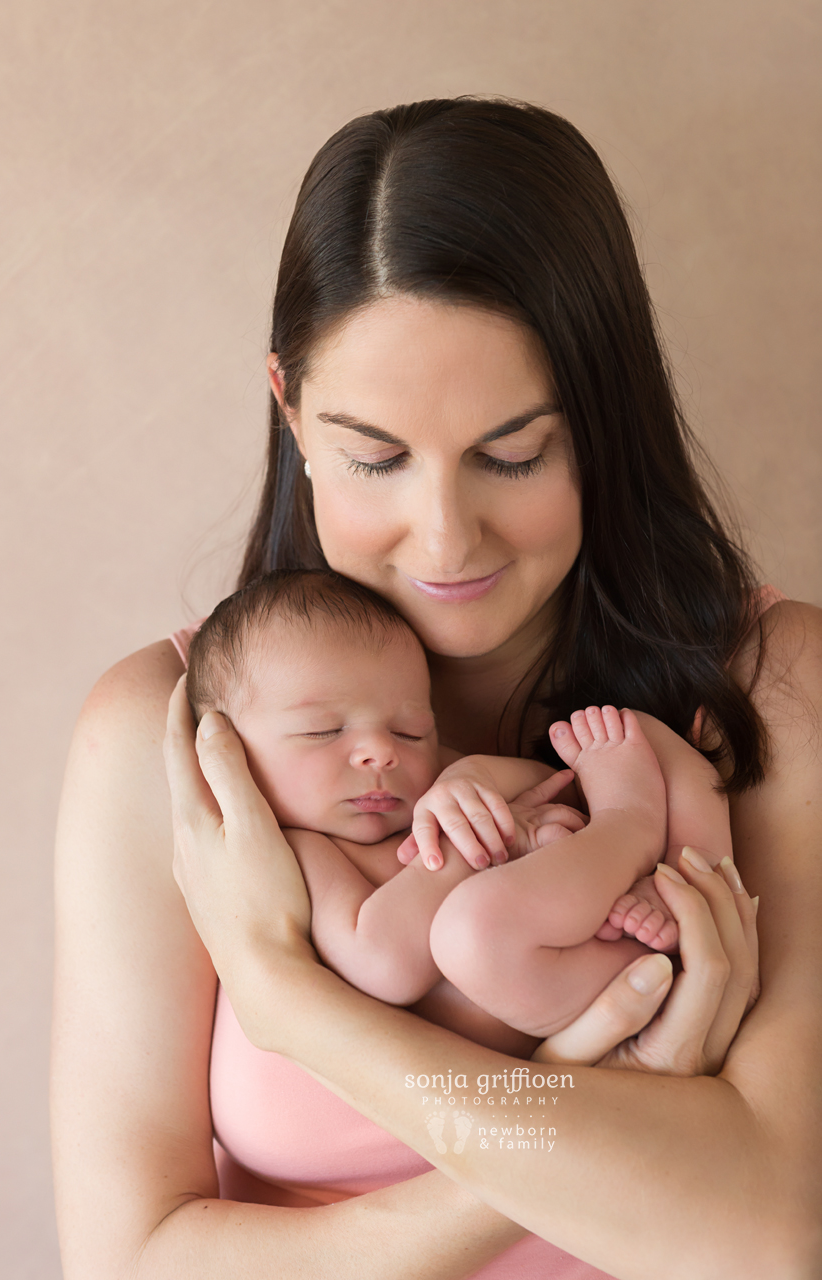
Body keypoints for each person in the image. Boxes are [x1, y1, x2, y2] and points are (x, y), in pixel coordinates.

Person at [51, 97, 822, 1278]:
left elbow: (768, 1233)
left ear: (602, 425)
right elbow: (133, 1258)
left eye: (511, 454)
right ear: (290, 410)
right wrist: (573, 1103)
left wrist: (290, 999)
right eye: (372, 456)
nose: (444, 537)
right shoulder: (173, 738)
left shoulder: (776, 691)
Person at [184, 567, 735, 1043]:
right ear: (229, 754)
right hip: (566, 986)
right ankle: (630, 829)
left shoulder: (427, 785)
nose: (381, 752)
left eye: (410, 729)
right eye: (322, 731)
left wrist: (472, 776)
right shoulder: (300, 850)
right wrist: (483, 842)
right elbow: (384, 963)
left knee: (636, 735)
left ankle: (677, 886)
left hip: (606, 915)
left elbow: (554, 785)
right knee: (473, 933)